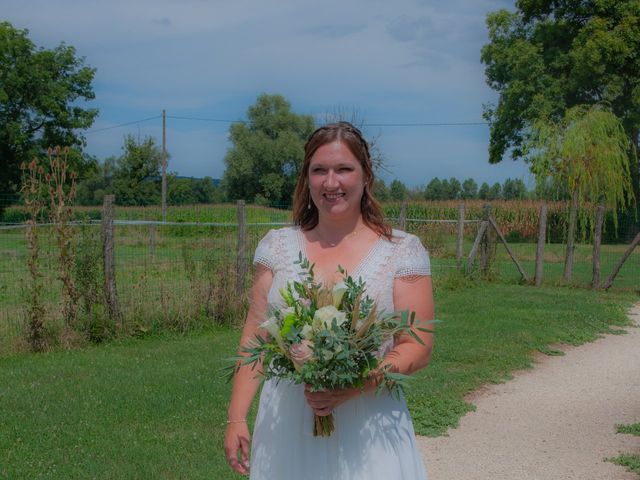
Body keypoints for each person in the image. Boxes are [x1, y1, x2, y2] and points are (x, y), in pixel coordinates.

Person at [224, 121, 434, 479]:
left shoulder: (401, 251)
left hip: (369, 424)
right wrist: (236, 417)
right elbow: (255, 335)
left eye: (344, 169)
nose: (331, 182)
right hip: (287, 424)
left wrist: (358, 385)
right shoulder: (276, 247)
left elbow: (417, 345)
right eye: (319, 170)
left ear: (365, 176)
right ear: (307, 178)